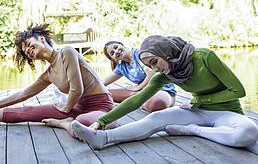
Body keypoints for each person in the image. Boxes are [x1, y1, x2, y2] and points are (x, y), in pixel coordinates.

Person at [71, 35, 258, 149]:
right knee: (154, 118)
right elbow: (135, 101)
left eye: (154, 62)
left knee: (248, 132)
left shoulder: (204, 57)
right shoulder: (165, 75)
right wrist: (101, 122)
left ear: (165, 52)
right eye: (149, 65)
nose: (155, 69)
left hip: (226, 113)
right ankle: (103, 139)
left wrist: (201, 101)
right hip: (197, 111)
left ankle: (194, 131)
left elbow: (238, 91)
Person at [0, 24, 116, 137]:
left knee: (81, 123)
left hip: (101, 106)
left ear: (42, 39)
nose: (29, 51)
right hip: (75, 107)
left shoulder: (66, 52)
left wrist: (65, 110)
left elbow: (77, 89)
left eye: (30, 44)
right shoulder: (49, 74)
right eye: (26, 51)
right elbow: (23, 94)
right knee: (26, 111)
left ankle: (64, 123)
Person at [102, 41, 176, 112]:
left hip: (162, 91)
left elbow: (151, 74)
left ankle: (138, 102)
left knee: (157, 102)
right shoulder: (121, 66)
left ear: (122, 45)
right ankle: (138, 100)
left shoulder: (139, 53)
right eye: (112, 53)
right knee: (105, 94)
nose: (116, 51)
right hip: (141, 93)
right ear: (113, 59)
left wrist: (138, 87)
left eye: (116, 47)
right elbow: (102, 83)